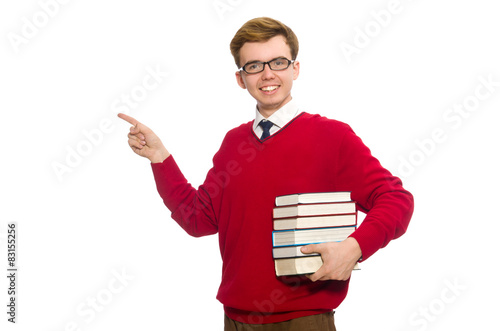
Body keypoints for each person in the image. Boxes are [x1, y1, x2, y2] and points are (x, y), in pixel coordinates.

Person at [118, 17, 414, 331]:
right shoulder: (234, 143)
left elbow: (396, 200)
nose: (268, 74)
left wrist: (354, 247)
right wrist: (159, 157)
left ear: (295, 69)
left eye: (278, 62)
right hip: (236, 319)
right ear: (240, 78)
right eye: (254, 66)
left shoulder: (333, 137)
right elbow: (197, 219)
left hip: (304, 320)